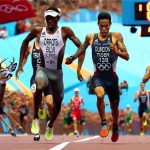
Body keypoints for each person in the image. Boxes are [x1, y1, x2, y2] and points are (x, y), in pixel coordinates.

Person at [16, 7, 82, 140]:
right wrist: (19, 65)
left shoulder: (65, 31)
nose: (50, 20)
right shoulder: (38, 31)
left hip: (57, 73)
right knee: (39, 84)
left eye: (53, 18)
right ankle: (35, 118)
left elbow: (81, 46)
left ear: (58, 18)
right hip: (42, 70)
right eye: (48, 18)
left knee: (55, 105)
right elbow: (24, 42)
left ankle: (50, 125)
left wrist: (73, 58)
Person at [65, 11, 129, 142]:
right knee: (100, 95)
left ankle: (115, 126)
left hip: (112, 78)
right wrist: (72, 58)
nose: (104, 29)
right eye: (101, 26)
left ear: (110, 24)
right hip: (98, 77)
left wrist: (116, 51)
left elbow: (127, 56)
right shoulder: (91, 37)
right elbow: (82, 49)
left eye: (106, 26)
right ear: (98, 25)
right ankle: (104, 123)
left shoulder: (116, 36)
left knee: (114, 108)